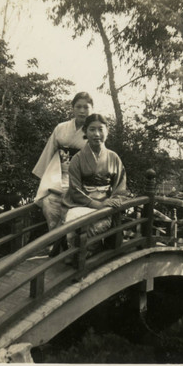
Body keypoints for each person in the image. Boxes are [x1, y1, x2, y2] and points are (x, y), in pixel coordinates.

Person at [62, 114, 128, 249]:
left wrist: (112, 201)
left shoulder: (113, 157)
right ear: (85, 131)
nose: (96, 134)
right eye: (92, 129)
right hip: (83, 204)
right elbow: (75, 189)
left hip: (105, 206)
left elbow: (120, 186)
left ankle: (85, 253)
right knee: (73, 224)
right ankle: (80, 253)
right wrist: (96, 204)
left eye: (100, 129)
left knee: (93, 230)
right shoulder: (77, 159)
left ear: (107, 131)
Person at [32, 92, 93, 231]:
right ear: (72, 108)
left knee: (73, 211)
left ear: (91, 109)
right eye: (78, 107)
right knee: (49, 203)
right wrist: (43, 180)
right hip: (59, 175)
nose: (82, 111)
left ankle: (66, 242)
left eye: (86, 107)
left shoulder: (94, 131)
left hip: (81, 178)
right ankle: (55, 238)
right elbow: (49, 151)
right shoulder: (61, 128)